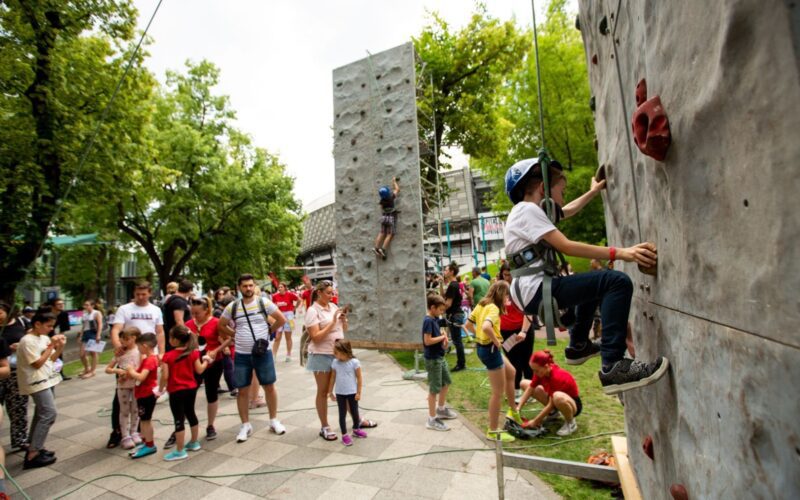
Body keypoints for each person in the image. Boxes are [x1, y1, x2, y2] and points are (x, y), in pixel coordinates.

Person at [504, 158, 668, 394]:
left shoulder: (526, 213)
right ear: (543, 188)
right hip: (536, 289)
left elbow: (567, 210)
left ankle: (578, 344)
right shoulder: (527, 210)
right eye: (562, 189)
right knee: (616, 282)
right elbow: (567, 246)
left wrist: (593, 192)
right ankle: (614, 366)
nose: (563, 196)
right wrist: (622, 253)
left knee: (594, 285)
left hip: (531, 291)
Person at [218, 274, 287, 443]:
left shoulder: (263, 302)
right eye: (244, 286)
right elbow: (221, 325)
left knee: (269, 386)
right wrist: (235, 334)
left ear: (254, 286)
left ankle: (273, 420)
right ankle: (245, 425)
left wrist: (269, 331)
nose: (248, 289)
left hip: (263, 353)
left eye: (250, 285)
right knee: (242, 390)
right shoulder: (233, 307)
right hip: (242, 354)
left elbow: (281, 319)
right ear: (239, 288)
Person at [109, 281, 165, 449]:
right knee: (121, 396)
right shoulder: (124, 309)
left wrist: (161, 353)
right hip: (128, 357)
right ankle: (118, 431)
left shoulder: (155, 310)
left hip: (148, 357)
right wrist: (118, 346)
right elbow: (115, 329)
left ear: (149, 293)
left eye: (144, 294)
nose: (140, 297)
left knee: (142, 395)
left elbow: (160, 332)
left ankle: (139, 429)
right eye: (137, 294)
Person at [465, 281, 519, 443]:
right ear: (502, 294)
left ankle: (513, 411)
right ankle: (493, 431)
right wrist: (496, 341)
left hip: (483, 348)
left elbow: (468, 325)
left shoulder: (481, 304)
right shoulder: (494, 308)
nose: (508, 299)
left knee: (512, 372)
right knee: (497, 393)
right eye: (507, 295)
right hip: (491, 351)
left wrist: (479, 337)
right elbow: (488, 327)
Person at [17, 311, 65, 469]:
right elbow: (36, 363)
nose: (51, 329)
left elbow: (50, 359)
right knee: (49, 413)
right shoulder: (27, 341)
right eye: (49, 326)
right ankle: (33, 453)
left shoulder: (43, 338)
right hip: (36, 381)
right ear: (37, 324)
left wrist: (58, 347)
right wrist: (51, 345)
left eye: (53, 326)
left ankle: (35, 445)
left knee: (41, 413)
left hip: (47, 378)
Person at [159, 325, 212, 461]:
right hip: (190, 389)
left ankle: (180, 450)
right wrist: (206, 360)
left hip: (176, 391)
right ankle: (194, 442)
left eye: (170, 337)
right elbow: (200, 370)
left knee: (179, 419)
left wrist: (160, 389)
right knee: (191, 413)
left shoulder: (167, 356)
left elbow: (164, 376)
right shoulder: (193, 353)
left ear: (175, 340)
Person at [186, 296, 229, 441]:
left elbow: (229, 337)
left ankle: (210, 425)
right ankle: (187, 424)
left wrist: (217, 350)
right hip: (194, 364)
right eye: (192, 313)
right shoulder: (188, 324)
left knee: (211, 393)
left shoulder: (216, 323)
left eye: (197, 313)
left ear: (206, 311)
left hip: (213, 363)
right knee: (188, 393)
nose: (195, 316)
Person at [516, 350, 582, 436]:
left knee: (557, 397)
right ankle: (554, 413)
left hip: (573, 405)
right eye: (533, 370)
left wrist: (535, 421)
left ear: (546, 366)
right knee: (524, 383)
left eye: (536, 370)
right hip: (555, 400)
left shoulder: (557, 377)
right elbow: (530, 388)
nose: (535, 373)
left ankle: (571, 422)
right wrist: (518, 408)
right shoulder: (541, 371)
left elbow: (551, 403)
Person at [422, 294, 457, 431]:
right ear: (432, 307)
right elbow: (427, 341)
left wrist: (443, 337)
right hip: (433, 359)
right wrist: (442, 337)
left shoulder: (435, 318)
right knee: (434, 389)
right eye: (440, 310)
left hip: (440, 357)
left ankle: (441, 409)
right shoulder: (428, 321)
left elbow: (439, 330)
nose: (442, 312)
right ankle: (431, 419)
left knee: (446, 382)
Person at [498, 263, 534, 392]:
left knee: (527, 361)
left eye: (510, 275)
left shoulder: (522, 288)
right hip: (506, 332)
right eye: (505, 275)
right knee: (513, 362)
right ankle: (516, 390)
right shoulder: (499, 289)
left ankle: (531, 391)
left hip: (524, 329)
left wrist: (523, 331)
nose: (507, 278)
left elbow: (529, 311)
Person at [0, 302, 31, 451]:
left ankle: (20, 439)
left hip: (16, 371)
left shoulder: (20, 321)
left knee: (18, 407)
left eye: (0, 312)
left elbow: (32, 337)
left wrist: (21, 345)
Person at [105, 327, 142, 449]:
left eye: (125, 340)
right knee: (124, 410)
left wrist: (131, 373)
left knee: (135, 409)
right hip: (122, 386)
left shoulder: (140, 351)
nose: (122, 343)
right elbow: (108, 369)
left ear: (133, 339)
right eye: (121, 341)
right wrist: (118, 370)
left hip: (136, 385)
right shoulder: (120, 353)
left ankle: (134, 432)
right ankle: (125, 436)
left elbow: (143, 367)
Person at [125, 333, 160, 459]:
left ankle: (150, 445)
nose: (138, 349)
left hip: (147, 394)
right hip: (142, 394)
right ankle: (146, 443)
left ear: (145, 346)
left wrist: (131, 371)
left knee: (145, 421)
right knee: (144, 420)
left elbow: (141, 377)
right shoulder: (147, 359)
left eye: (138, 346)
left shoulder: (150, 360)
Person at [327, 339, 367, 446]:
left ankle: (356, 429)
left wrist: (359, 392)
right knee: (342, 414)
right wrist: (330, 392)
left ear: (344, 352)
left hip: (352, 392)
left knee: (355, 412)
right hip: (340, 393)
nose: (334, 354)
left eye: (336, 352)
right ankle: (344, 435)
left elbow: (359, 378)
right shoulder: (335, 363)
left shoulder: (354, 362)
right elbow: (332, 378)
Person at [441, 262, 466, 372]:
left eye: (446, 270)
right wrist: (441, 284)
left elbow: (448, 304)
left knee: (457, 341)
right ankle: (460, 362)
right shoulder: (455, 284)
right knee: (457, 340)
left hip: (455, 315)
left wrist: (439, 311)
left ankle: (461, 364)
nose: (444, 272)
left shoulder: (453, 285)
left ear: (452, 272)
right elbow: (443, 297)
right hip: (455, 315)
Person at [270, 283, 299, 362]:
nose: (279, 288)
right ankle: (273, 355)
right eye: (279, 287)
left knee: (288, 337)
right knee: (277, 337)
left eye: (281, 287)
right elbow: (272, 306)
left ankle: (288, 354)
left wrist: (294, 308)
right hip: (279, 315)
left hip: (289, 316)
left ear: (285, 288)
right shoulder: (275, 296)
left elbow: (299, 299)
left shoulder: (290, 294)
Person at [373, 176, 400, 259]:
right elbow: (397, 189)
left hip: (384, 217)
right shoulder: (391, 197)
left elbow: (381, 208)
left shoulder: (382, 201)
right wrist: (394, 181)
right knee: (390, 234)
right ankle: (383, 249)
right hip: (391, 217)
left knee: (381, 232)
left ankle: (376, 247)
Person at [163, 279, 192, 351]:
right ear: (189, 290)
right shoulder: (179, 302)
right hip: (177, 339)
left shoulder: (174, 299)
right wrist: (186, 337)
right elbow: (179, 320)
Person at [78, 299, 103, 379]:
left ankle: (92, 371)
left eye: (87, 305)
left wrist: (98, 335)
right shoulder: (85, 314)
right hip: (86, 334)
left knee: (93, 353)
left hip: (93, 333)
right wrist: (81, 335)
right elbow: (84, 326)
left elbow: (100, 324)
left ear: (92, 306)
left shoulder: (96, 313)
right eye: (85, 305)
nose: (85, 306)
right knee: (82, 354)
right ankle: (87, 368)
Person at [50, 299, 72, 381]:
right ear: (53, 306)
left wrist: (59, 339)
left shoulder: (63, 314)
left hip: (55, 335)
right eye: (59, 304)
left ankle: (60, 373)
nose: (61, 305)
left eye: (63, 304)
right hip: (45, 334)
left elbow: (63, 328)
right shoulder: (47, 314)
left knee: (59, 353)